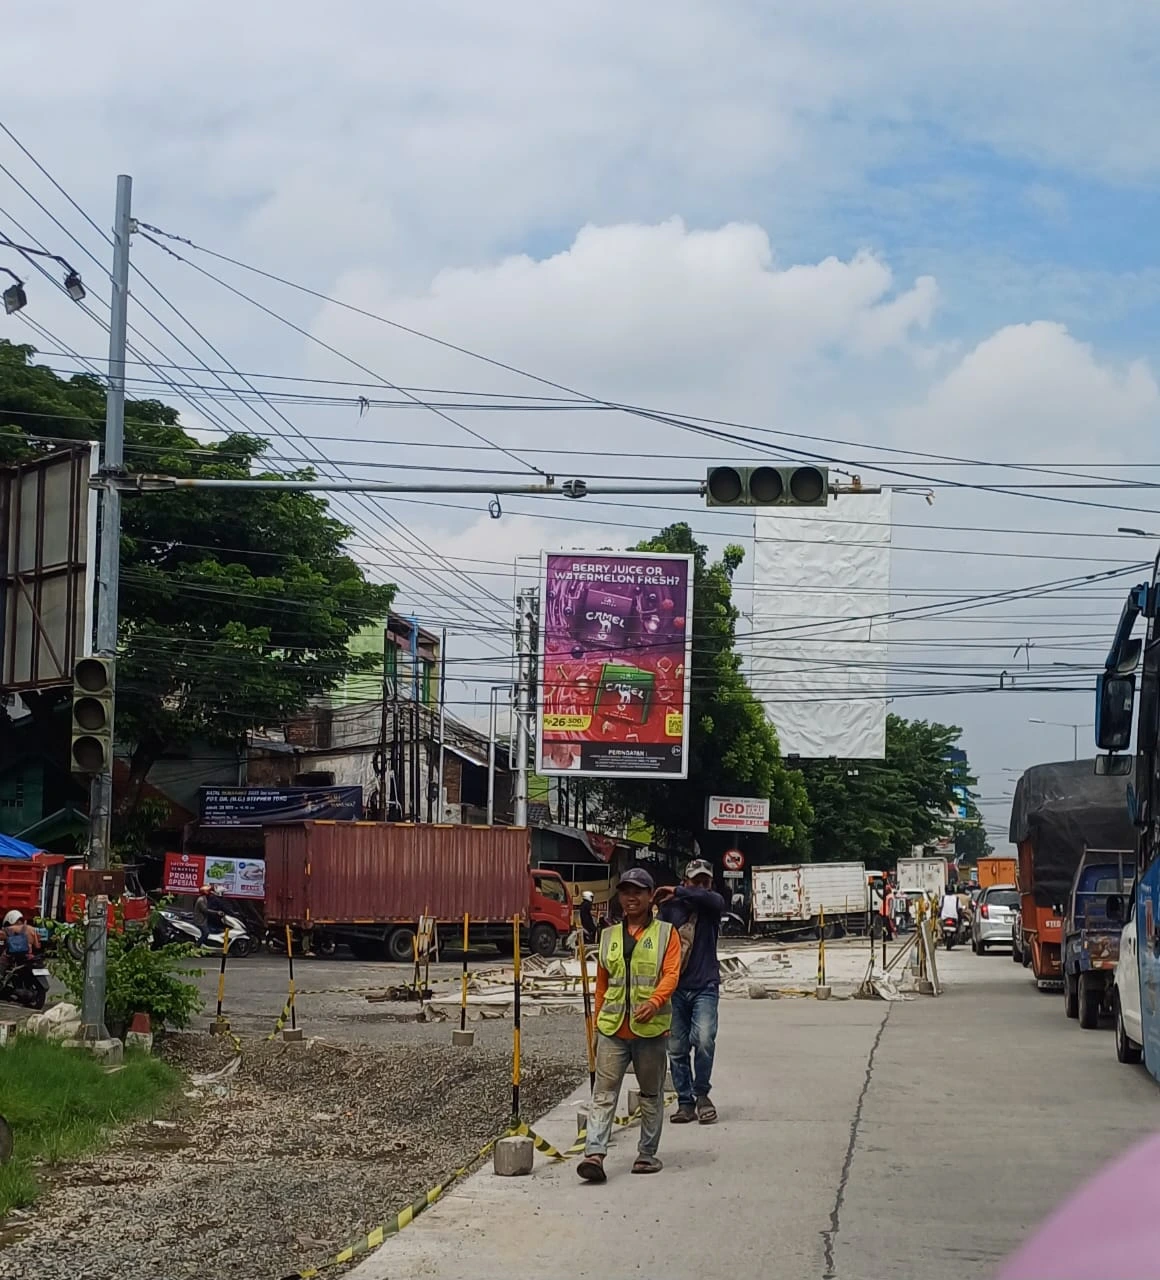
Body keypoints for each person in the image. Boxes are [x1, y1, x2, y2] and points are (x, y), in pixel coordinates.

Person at [577, 867, 681, 1183]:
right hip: (612, 1029)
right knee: (603, 1093)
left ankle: (647, 1155)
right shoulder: (608, 935)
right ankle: (594, 1154)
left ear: (651, 897)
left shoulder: (667, 933)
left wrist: (654, 1002)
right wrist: (597, 1023)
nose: (631, 897)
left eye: (638, 891)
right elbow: (603, 983)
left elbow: (671, 974)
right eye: (625, 891)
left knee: (650, 1094)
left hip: (650, 1031)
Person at [656, 857, 724, 1125]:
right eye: (695, 881)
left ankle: (702, 1094)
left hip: (705, 985)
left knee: (705, 1039)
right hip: (674, 987)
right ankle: (685, 1102)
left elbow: (713, 900)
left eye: (705, 881)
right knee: (676, 1047)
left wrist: (677, 890)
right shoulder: (669, 910)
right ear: (686, 880)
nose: (701, 886)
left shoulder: (711, 906)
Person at [0, 909, 41, 974]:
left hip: (14, 956)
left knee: (3, 959)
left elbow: (2, 936)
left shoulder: (10, 929)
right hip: (29, 956)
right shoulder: (32, 929)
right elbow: (37, 945)